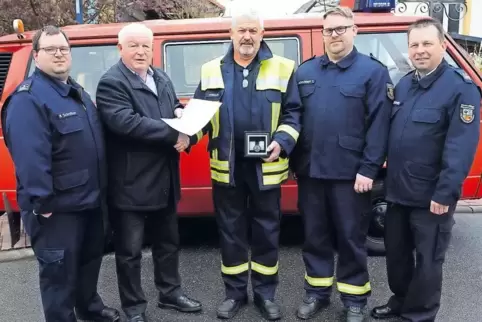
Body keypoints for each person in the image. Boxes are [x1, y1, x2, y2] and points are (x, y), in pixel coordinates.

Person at [189, 6, 302, 321]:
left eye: (253, 30)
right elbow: (200, 113)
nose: (247, 36)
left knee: (267, 231)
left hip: (267, 166)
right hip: (228, 165)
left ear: (262, 34)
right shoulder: (212, 69)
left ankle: (266, 295)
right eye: (242, 30)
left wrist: (282, 141)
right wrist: (186, 135)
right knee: (231, 232)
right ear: (231, 34)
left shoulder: (283, 67)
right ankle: (234, 294)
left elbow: (294, 113)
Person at [0, 26, 119, 322]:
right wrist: (43, 204)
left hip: (89, 201)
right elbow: (29, 159)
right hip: (58, 209)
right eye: (51, 49)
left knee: (88, 262)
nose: (59, 54)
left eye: (63, 49)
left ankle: (89, 308)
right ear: (36, 56)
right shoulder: (28, 99)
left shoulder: (74, 91)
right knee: (59, 274)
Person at [371, 18, 481, 322]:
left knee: (429, 261)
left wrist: (445, 192)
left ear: (442, 46)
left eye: (427, 44)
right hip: (398, 192)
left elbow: (460, 148)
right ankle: (401, 300)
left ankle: (419, 314)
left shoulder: (460, 89)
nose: (419, 50)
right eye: (414, 45)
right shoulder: (406, 83)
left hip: (432, 196)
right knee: (397, 256)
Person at [291, 6, 394, 322]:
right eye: (328, 30)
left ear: (354, 30)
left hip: (351, 176)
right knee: (314, 236)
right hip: (311, 172)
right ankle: (317, 293)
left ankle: (354, 299)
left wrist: (369, 168)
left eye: (340, 29)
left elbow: (380, 125)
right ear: (322, 34)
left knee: (351, 238)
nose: (333, 35)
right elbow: (292, 115)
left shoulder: (372, 72)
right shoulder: (305, 72)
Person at [95, 23, 201, 322]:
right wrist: (174, 133)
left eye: (146, 46)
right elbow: (127, 123)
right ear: (120, 49)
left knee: (168, 243)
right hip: (131, 182)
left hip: (164, 177)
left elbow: (173, 107)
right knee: (129, 253)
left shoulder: (160, 76)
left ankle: (170, 293)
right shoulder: (111, 82)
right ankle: (134, 308)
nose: (141, 51)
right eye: (134, 46)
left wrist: (183, 116)